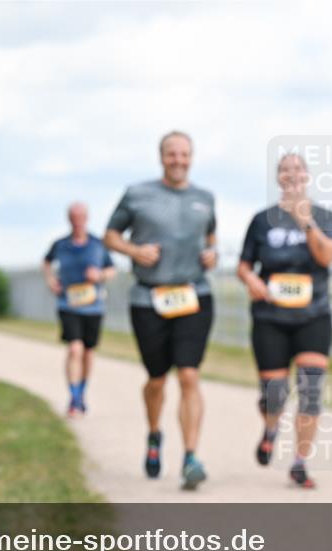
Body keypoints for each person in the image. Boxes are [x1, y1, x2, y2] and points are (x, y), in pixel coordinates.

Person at [104, 131, 218, 491]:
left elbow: (211, 237)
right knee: (157, 379)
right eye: (172, 154)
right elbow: (110, 235)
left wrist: (212, 255)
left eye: (184, 154)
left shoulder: (205, 198)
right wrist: (134, 252)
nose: (178, 160)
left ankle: (190, 457)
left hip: (193, 295)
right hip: (148, 298)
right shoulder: (137, 194)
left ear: (192, 157)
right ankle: (155, 435)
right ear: (161, 157)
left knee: (189, 376)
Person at [237, 153, 332, 489]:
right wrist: (252, 282)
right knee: (274, 395)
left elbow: (327, 256)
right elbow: (244, 265)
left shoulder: (324, 216)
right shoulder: (261, 220)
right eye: (285, 170)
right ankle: (270, 427)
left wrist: (305, 221)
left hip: (314, 315)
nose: (291, 175)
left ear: (307, 176)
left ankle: (299, 463)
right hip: (271, 316)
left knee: (310, 391)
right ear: (278, 177)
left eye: (297, 169)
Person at [43, 202, 117, 417]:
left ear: (87, 218)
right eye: (73, 216)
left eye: (81, 216)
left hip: (93, 306)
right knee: (74, 348)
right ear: (69, 218)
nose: (77, 220)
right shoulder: (60, 245)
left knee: (87, 352)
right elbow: (46, 263)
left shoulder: (97, 244)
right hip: (68, 304)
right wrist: (50, 281)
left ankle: (82, 391)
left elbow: (112, 270)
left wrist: (100, 276)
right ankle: (74, 397)